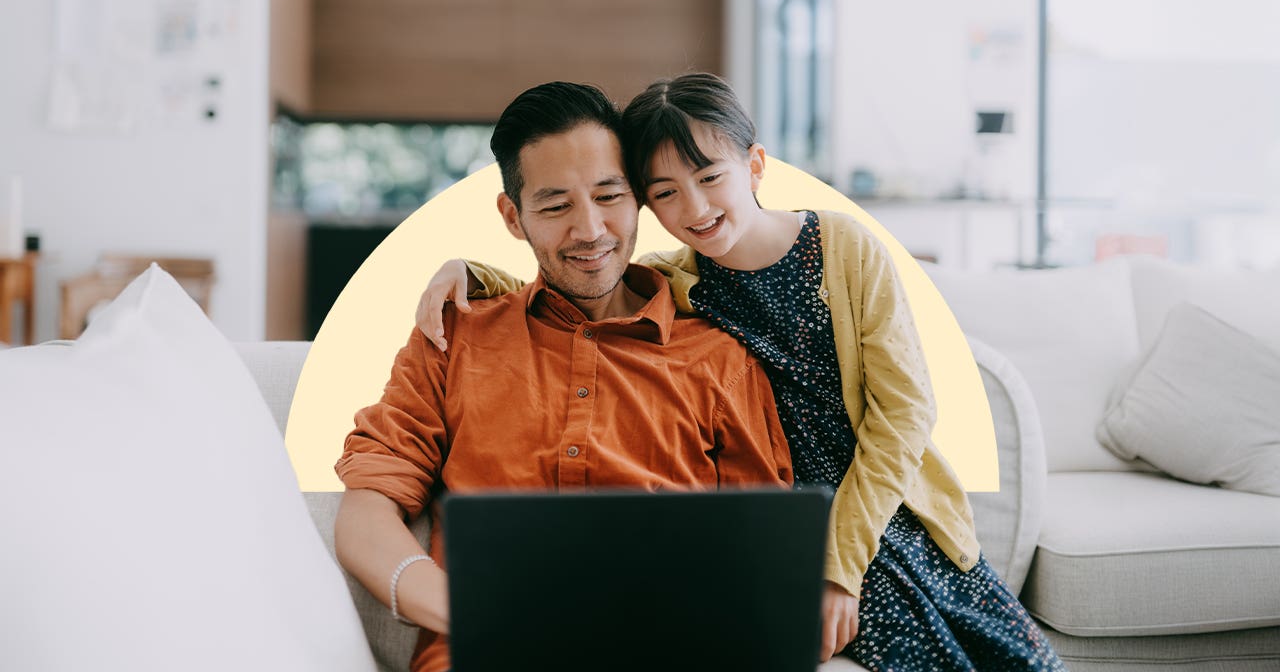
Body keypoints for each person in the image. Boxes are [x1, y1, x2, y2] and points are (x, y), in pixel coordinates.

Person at [416, 73, 1066, 671]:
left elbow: (906, 414)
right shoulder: (684, 276)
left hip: (878, 515)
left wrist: (841, 568)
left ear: (754, 166)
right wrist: (471, 274)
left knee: (1021, 659)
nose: (693, 207)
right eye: (664, 192)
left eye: (709, 177)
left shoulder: (843, 246)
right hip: (793, 524)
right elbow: (585, 284)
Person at [334, 81, 794, 672]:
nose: (591, 231)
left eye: (610, 196)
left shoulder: (720, 356)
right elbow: (368, 509)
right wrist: (469, 607)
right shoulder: (455, 338)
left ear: (641, 200)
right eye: (555, 207)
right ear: (513, 217)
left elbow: (762, 549)